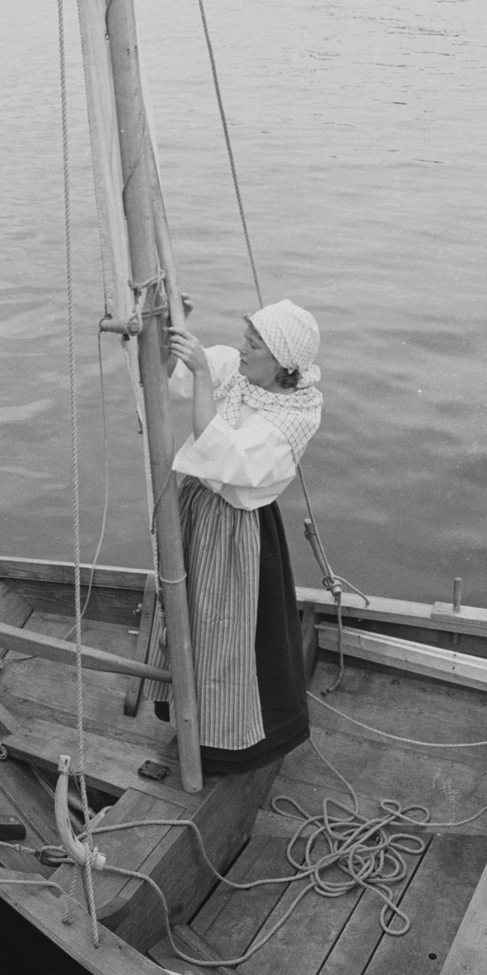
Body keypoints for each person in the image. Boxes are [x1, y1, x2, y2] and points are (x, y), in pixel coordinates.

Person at [147, 298, 322, 774]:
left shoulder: (291, 419)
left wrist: (203, 376)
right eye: (245, 338)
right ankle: (186, 714)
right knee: (187, 615)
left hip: (237, 531)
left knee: (224, 628)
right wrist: (169, 325)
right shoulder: (242, 374)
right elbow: (167, 374)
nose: (242, 349)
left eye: (254, 344)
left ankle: (227, 742)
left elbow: (221, 454)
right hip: (200, 508)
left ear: (283, 363)